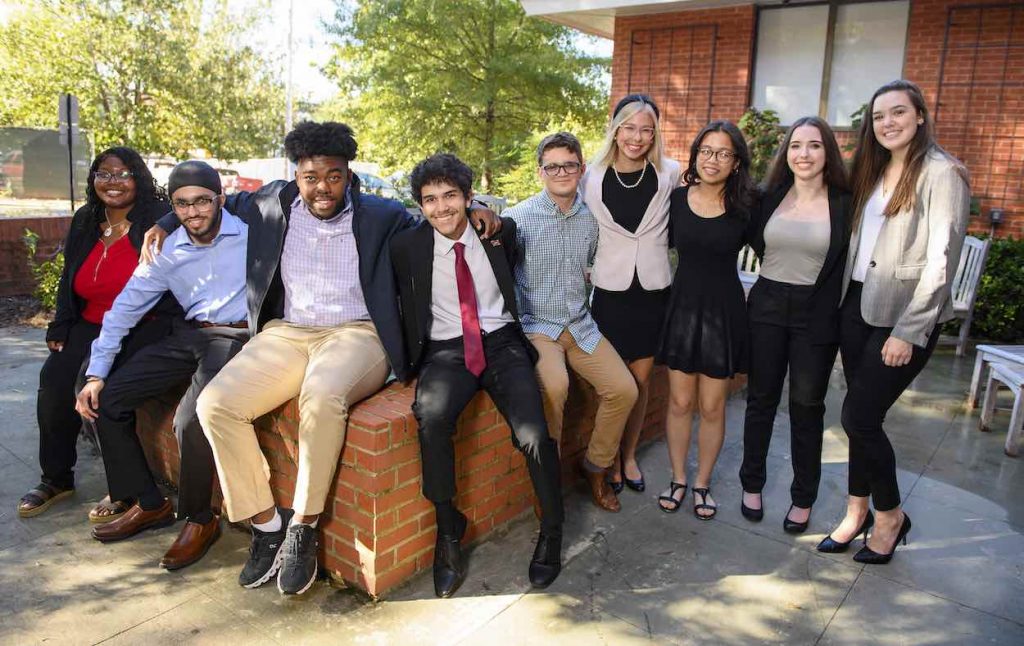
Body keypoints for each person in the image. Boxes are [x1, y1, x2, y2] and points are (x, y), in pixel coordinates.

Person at [155, 122, 498, 596]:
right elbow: (208, 203)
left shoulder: (380, 215)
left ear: (347, 173)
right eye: (311, 176)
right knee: (216, 405)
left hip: (357, 334)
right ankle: (267, 523)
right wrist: (166, 220)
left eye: (333, 176)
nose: (322, 188)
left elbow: (438, 218)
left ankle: (304, 526)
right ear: (296, 175)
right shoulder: (271, 203)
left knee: (321, 396)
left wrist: (478, 206)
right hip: (288, 333)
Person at [390, 153, 564, 598]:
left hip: (503, 342)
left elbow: (516, 237)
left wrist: (497, 220)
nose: (442, 207)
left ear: (469, 198)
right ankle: (448, 529)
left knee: (533, 435)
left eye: (451, 196)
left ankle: (552, 527)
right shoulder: (409, 247)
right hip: (447, 350)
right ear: (420, 205)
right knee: (430, 419)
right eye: (430, 199)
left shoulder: (495, 235)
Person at [820, 80, 969, 563]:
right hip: (856, 307)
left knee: (858, 417)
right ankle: (854, 513)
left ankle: (890, 517)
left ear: (920, 116)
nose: (888, 122)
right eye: (879, 115)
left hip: (902, 316)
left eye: (898, 112)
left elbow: (941, 261)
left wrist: (910, 330)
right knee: (865, 420)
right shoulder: (875, 169)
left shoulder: (943, 173)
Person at [75, 161, 249, 572]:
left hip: (239, 337)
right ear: (173, 206)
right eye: (181, 205)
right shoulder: (166, 251)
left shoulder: (250, 231)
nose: (193, 213)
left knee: (190, 420)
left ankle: (199, 519)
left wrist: (167, 218)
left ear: (219, 199)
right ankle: (149, 502)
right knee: (110, 399)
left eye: (202, 201)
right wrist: (96, 373)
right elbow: (123, 310)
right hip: (189, 334)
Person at [17, 147, 179, 521]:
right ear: (93, 180)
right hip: (88, 322)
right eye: (104, 174)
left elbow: (184, 219)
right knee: (53, 380)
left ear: (138, 177)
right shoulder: (86, 219)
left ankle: (123, 490)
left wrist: (167, 224)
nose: (113, 182)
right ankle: (56, 478)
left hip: (144, 324)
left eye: (123, 174)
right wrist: (61, 323)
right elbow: (69, 274)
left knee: (94, 385)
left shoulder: (156, 218)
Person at [507, 132, 638, 513]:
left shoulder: (592, 219)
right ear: (540, 172)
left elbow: (596, 267)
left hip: (580, 326)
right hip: (538, 327)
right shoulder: (518, 219)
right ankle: (547, 488)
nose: (561, 172)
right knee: (555, 387)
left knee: (623, 389)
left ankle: (595, 467)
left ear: (581, 169)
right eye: (552, 166)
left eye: (569, 164)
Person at [738, 117, 852, 533]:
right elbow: (751, 238)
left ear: (827, 153)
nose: (804, 154)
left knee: (807, 407)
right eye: (796, 145)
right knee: (761, 400)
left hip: (816, 315)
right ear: (786, 153)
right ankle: (752, 485)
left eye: (815, 146)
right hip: (766, 305)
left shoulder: (845, 202)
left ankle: (803, 497)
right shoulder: (767, 198)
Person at [581, 94, 681, 499]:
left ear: (654, 132)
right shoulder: (590, 176)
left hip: (653, 291)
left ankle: (628, 456)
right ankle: (604, 456)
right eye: (629, 127)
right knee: (612, 384)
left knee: (640, 383)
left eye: (646, 129)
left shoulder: (669, 172)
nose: (637, 137)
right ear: (616, 129)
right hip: (609, 292)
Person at [656, 120, 756, 519]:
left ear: (736, 162)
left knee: (713, 406)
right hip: (682, 308)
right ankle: (679, 478)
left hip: (724, 312)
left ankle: (702, 484)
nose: (713, 160)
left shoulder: (747, 207)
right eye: (706, 151)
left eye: (724, 153)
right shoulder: (676, 199)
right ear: (696, 156)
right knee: (680, 401)